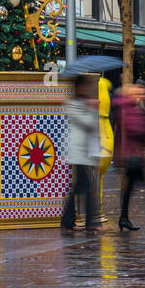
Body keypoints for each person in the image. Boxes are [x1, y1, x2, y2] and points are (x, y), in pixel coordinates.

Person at [60, 75, 101, 233]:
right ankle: (85, 222)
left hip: (85, 152)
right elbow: (88, 123)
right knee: (85, 186)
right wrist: (92, 110)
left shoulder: (83, 104)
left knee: (82, 187)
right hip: (78, 152)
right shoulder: (73, 105)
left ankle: (70, 221)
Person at [112, 83, 145, 231]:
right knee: (142, 188)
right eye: (139, 93)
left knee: (131, 187)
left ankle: (124, 218)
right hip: (131, 155)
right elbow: (136, 129)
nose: (143, 96)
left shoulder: (132, 107)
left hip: (133, 153)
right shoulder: (128, 108)